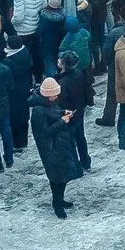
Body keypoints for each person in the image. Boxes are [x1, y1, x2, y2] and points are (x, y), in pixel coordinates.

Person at [30, 77, 77, 217]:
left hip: (58, 145)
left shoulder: (49, 103)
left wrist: (63, 113)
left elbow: (54, 115)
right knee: (56, 177)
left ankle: (59, 200)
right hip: (50, 148)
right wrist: (62, 121)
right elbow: (45, 132)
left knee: (61, 175)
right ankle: (57, 204)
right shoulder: (38, 110)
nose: (57, 96)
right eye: (55, 94)